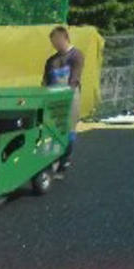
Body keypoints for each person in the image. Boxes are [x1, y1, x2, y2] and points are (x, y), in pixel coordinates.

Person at [42, 26, 85, 173]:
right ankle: (50, 159)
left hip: (70, 98)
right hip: (53, 99)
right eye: (53, 42)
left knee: (68, 129)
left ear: (65, 38)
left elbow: (75, 78)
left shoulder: (76, 55)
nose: (55, 44)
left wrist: (66, 94)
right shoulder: (51, 61)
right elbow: (45, 82)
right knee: (51, 129)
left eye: (57, 41)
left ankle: (65, 159)